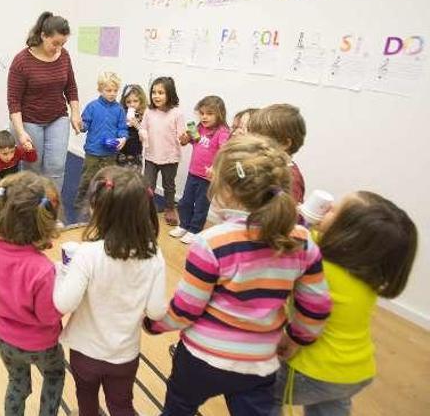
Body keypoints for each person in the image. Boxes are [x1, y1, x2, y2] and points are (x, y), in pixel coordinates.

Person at [145, 135, 331, 416]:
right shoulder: (302, 240)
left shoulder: (211, 242)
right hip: (260, 364)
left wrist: (153, 324)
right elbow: (316, 308)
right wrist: (295, 339)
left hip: (201, 359)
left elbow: (186, 310)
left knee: (179, 408)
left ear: (227, 190)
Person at [273, 191, 417, 416]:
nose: (325, 209)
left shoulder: (317, 268)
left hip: (312, 371)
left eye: (332, 210)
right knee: (329, 408)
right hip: (355, 371)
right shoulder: (369, 273)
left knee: (261, 394)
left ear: (348, 236)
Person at [53, 166, 167, 416]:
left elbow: (63, 304)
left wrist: (63, 272)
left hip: (85, 353)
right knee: (122, 405)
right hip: (124, 354)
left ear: (97, 208)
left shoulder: (88, 254)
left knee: (86, 401)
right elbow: (157, 311)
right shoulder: (154, 254)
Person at [0, 171, 65, 416]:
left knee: (17, 384)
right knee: (55, 376)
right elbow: (48, 317)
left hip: (4, 337)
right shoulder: (43, 270)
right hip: (41, 344)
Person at [7, 11, 81, 193]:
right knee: (33, 167)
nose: (58, 48)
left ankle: (51, 211)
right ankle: (30, 210)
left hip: (57, 118)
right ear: (43, 36)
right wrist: (21, 132)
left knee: (56, 167)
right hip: (29, 120)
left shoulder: (64, 56)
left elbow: (71, 88)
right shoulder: (22, 61)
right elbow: (14, 101)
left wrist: (75, 114)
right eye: (55, 43)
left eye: (63, 44)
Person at [169, 95, 231, 244]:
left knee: (201, 206)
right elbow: (186, 142)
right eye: (202, 113)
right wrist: (184, 138)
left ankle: (194, 230)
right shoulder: (198, 128)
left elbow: (225, 151)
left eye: (209, 114)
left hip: (208, 178)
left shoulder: (222, 131)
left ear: (220, 114)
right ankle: (184, 225)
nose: (204, 117)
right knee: (185, 202)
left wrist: (216, 167)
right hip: (193, 173)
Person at [75, 71, 127, 209]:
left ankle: (102, 201)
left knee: (107, 179)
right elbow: (85, 125)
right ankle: (81, 199)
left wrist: (123, 138)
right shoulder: (92, 106)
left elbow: (122, 128)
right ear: (100, 89)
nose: (112, 93)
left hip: (110, 151)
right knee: (88, 176)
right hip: (93, 151)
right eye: (108, 90)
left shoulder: (120, 109)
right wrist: (80, 125)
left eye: (115, 90)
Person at [139, 77, 186, 226]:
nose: (156, 96)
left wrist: (185, 138)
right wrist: (142, 133)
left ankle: (170, 208)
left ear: (170, 94)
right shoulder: (149, 111)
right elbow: (143, 128)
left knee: (169, 185)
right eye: (154, 92)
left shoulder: (177, 114)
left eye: (161, 92)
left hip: (170, 157)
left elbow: (181, 135)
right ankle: (146, 210)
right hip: (151, 155)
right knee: (148, 185)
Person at [248, 104, 307, 203]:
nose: (252, 141)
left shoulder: (291, 179)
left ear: (285, 143)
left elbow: (287, 215)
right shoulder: (268, 166)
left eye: (259, 137)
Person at [0, 130, 37, 207]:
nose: (9, 157)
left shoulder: (17, 151)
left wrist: (30, 150)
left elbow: (32, 159)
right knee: (0, 207)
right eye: (5, 154)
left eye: (12, 152)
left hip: (13, 186)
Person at [117, 84, 147, 170]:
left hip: (135, 155)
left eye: (135, 101)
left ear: (141, 101)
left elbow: (145, 137)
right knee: (119, 178)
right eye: (128, 102)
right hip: (121, 153)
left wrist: (136, 125)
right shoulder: (122, 114)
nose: (132, 104)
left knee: (133, 180)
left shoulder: (143, 116)